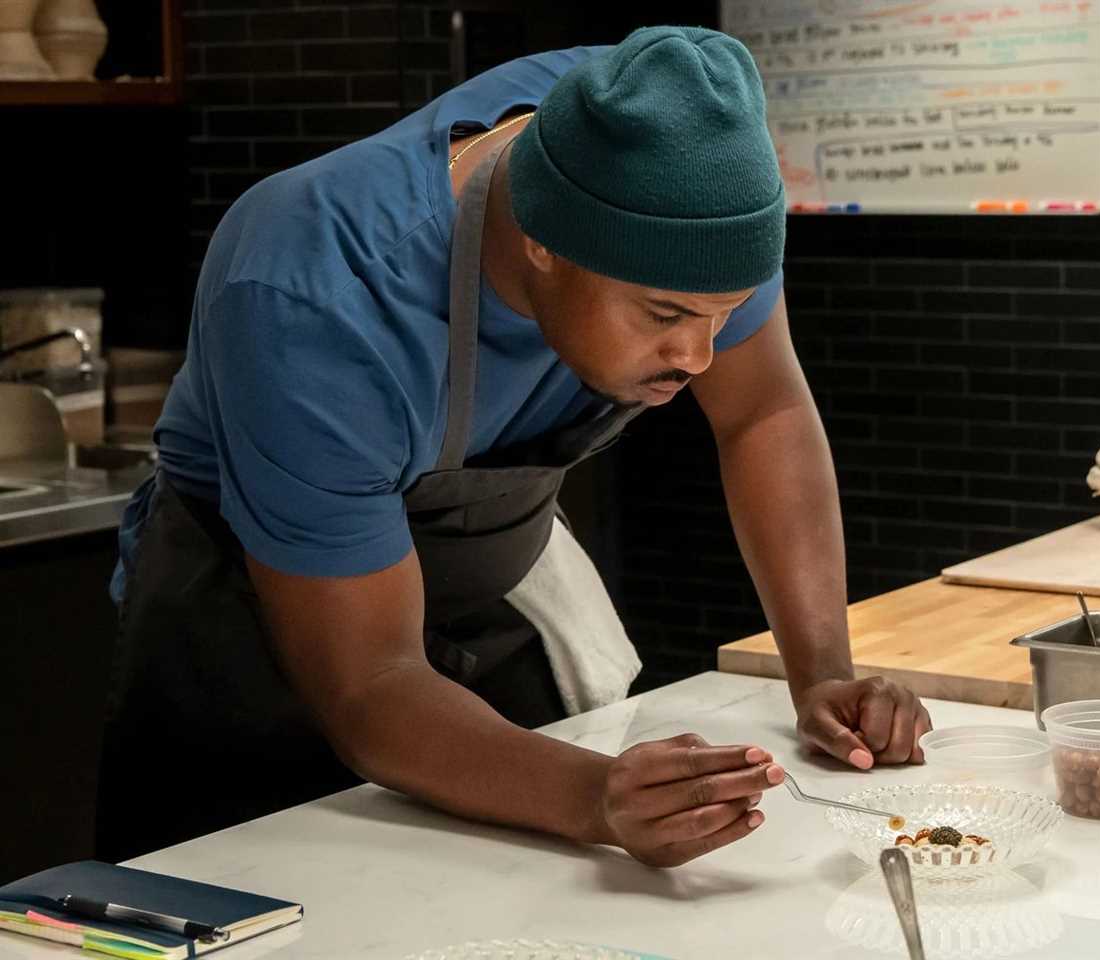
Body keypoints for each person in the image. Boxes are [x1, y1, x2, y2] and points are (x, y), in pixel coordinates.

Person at [96, 26, 931, 869]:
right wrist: (590, 796)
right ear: (542, 244)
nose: (698, 357)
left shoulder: (672, 153)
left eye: (726, 311)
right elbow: (373, 684)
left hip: (470, 634)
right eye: (667, 316)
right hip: (254, 647)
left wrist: (821, 673)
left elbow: (762, 413)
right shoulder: (316, 296)